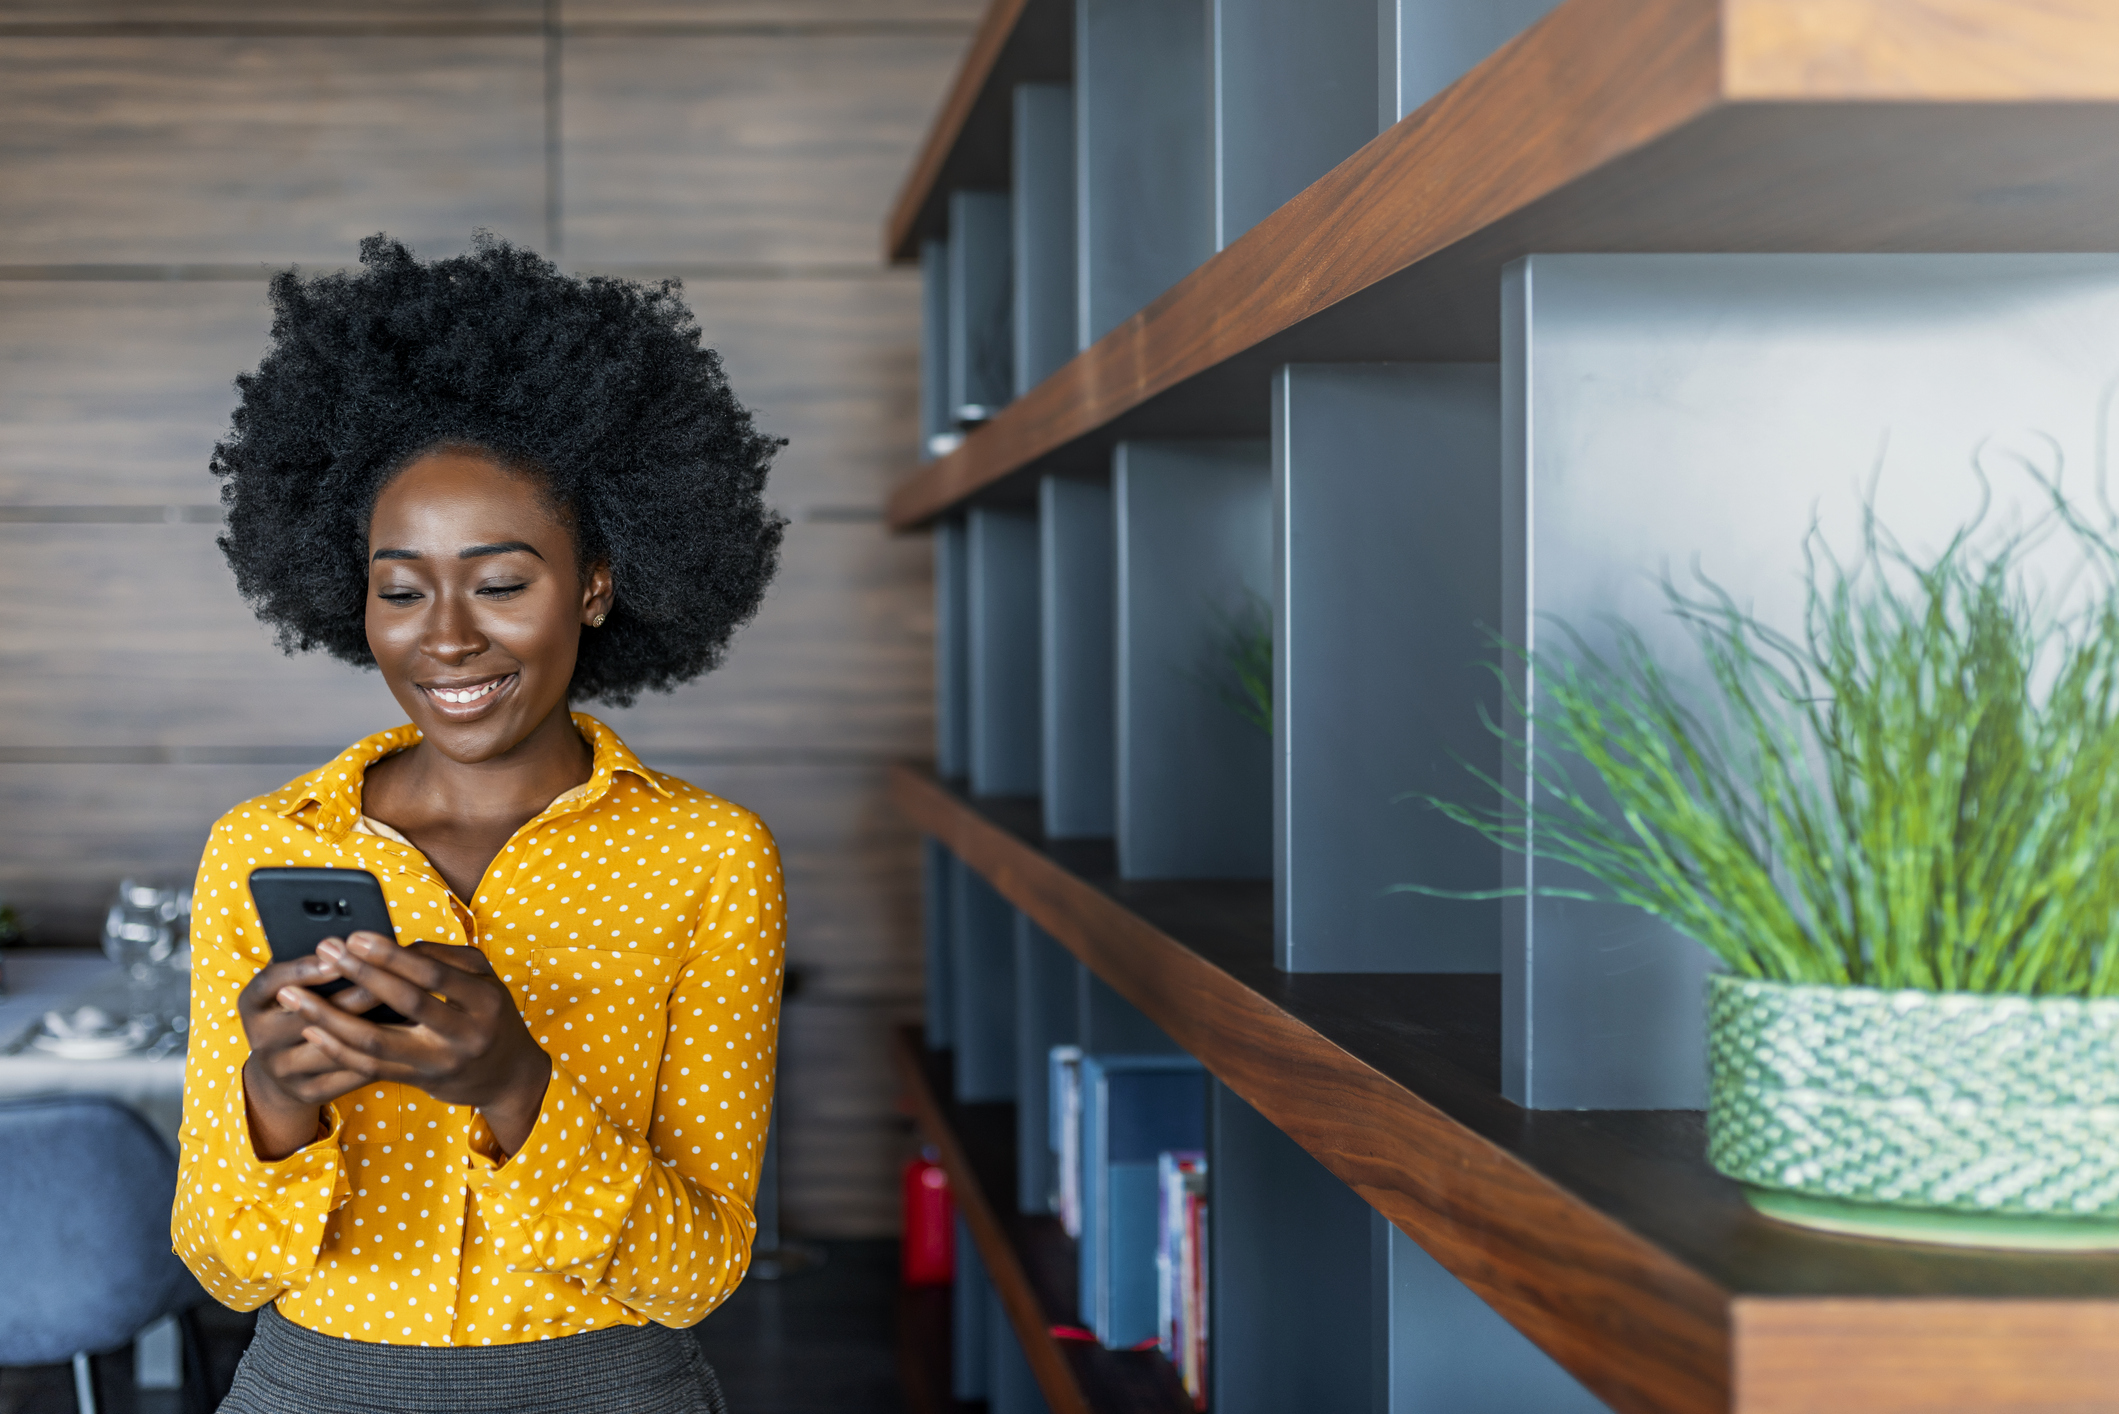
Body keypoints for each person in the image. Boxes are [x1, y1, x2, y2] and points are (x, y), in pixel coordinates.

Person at [170, 234, 788, 1414]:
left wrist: (515, 1086)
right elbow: (223, 1259)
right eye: (400, 588)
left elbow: (696, 1272)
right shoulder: (264, 844)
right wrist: (278, 1102)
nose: (444, 635)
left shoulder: (708, 855)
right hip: (314, 1385)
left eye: (501, 582)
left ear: (596, 583)